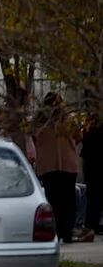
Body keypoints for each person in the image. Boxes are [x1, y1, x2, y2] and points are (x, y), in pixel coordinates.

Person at [34, 92, 79, 243]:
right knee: (67, 201)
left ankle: (58, 232)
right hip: (66, 165)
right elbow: (78, 137)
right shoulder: (68, 120)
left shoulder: (39, 122)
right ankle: (66, 232)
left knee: (54, 200)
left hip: (49, 167)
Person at [81, 115, 102, 238]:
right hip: (94, 160)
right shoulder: (91, 121)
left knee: (93, 195)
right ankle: (93, 223)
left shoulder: (90, 121)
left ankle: (92, 224)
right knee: (94, 194)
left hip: (92, 161)